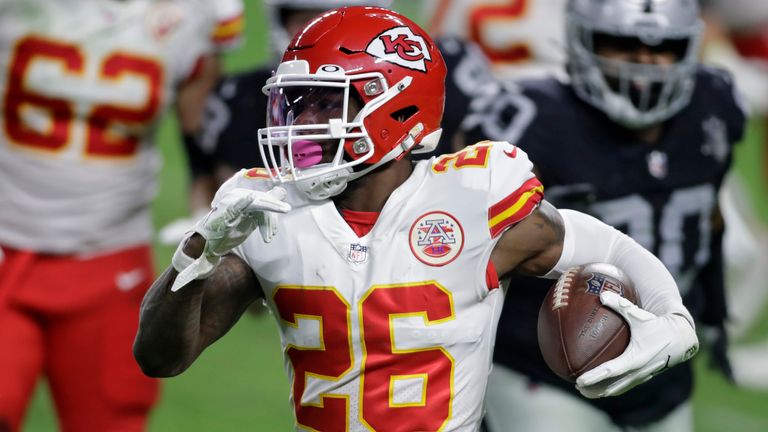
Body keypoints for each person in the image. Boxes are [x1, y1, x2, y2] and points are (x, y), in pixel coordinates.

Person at [133, 6, 701, 431]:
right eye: (298, 101)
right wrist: (193, 261)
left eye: (328, 102)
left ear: (400, 108)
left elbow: (606, 246)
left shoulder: (472, 196)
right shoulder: (270, 210)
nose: (304, 121)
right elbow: (161, 358)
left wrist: (673, 317)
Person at [459, 0, 746, 430]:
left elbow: (711, 216)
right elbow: (471, 253)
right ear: (580, 40)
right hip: (542, 365)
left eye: (663, 47)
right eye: (622, 43)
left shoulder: (713, 104)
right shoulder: (533, 121)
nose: (645, 63)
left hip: (662, 360)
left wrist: (714, 306)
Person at [0, 0, 243, 430]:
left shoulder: (202, 10)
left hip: (109, 253)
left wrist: (218, 223)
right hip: (8, 232)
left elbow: (198, 124)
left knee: (110, 419)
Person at [159, 0, 392, 246]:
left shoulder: (403, 102)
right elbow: (207, 179)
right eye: (307, 21)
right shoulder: (237, 98)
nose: (325, 35)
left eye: (339, 21)